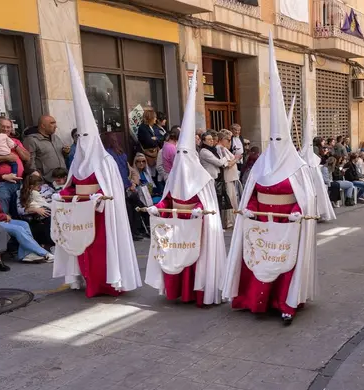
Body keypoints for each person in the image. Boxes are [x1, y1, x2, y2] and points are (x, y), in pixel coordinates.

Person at [222, 34, 318, 326]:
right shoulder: (261, 165)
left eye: (280, 139)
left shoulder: (298, 167)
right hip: (262, 225)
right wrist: (250, 209)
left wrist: (296, 212)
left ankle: (285, 302)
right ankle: (255, 301)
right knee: (260, 261)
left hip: (288, 226)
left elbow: (306, 197)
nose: (275, 144)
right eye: (271, 139)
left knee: (285, 264)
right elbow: (252, 193)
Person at [53, 48, 141, 298]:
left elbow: (111, 190)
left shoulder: (106, 162)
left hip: (102, 216)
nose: (83, 141)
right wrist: (62, 195)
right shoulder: (76, 163)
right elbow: (72, 186)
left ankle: (106, 283)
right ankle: (85, 280)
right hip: (80, 215)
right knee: (82, 249)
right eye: (80, 136)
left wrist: (99, 197)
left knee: (101, 250)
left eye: (86, 136)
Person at [145, 69, 227, 308]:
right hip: (176, 226)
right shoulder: (174, 177)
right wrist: (157, 207)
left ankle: (198, 292)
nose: (180, 157)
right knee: (175, 256)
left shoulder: (202, 178)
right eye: (177, 153)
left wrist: (199, 210)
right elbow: (168, 199)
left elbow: (205, 202)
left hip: (196, 226)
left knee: (196, 259)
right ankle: (178, 291)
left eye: (184, 153)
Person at [0, 173, 53, 263]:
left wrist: (4, 217)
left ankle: (25, 255)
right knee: (17, 229)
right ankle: (44, 253)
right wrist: (3, 216)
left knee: (24, 224)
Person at [299, 106, 336, 221]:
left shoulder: (314, 156)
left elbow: (316, 160)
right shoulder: (307, 152)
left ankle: (320, 212)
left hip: (315, 173)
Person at [23, 115, 68, 183]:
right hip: (46, 181)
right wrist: (38, 178)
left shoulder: (56, 137)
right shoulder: (31, 140)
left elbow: (62, 156)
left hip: (62, 179)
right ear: (43, 126)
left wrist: (65, 152)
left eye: (55, 123)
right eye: (52, 123)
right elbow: (29, 162)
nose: (56, 126)